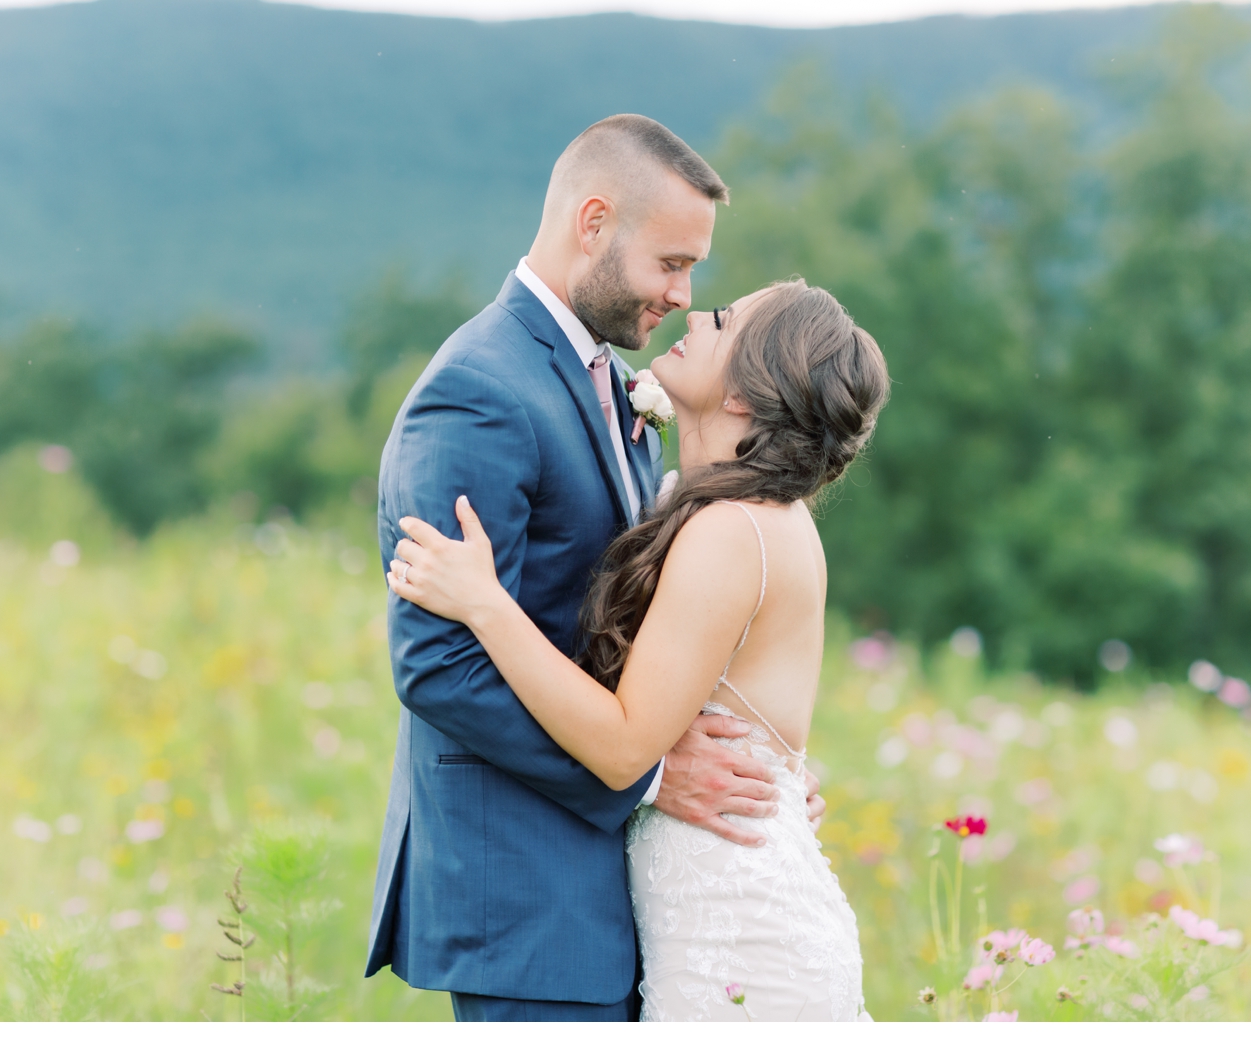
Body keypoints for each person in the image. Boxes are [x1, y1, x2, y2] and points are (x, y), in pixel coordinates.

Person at [363, 114, 828, 1023]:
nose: (684, 294)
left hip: (618, 897)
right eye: (671, 263)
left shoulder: (605, 382)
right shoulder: (479, 389)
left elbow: (630, 629)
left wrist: (757, 758)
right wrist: (651, 775)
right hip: (527, 900)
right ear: (593, 221)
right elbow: (436, 665)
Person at [388, 278, 891, 1020]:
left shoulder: (733, 531)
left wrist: (486, 605)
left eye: (721, 323)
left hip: (741, 941)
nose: (694, 313)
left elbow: (626, 748)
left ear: (748, 395)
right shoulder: (722, 509)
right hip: (706, 924)